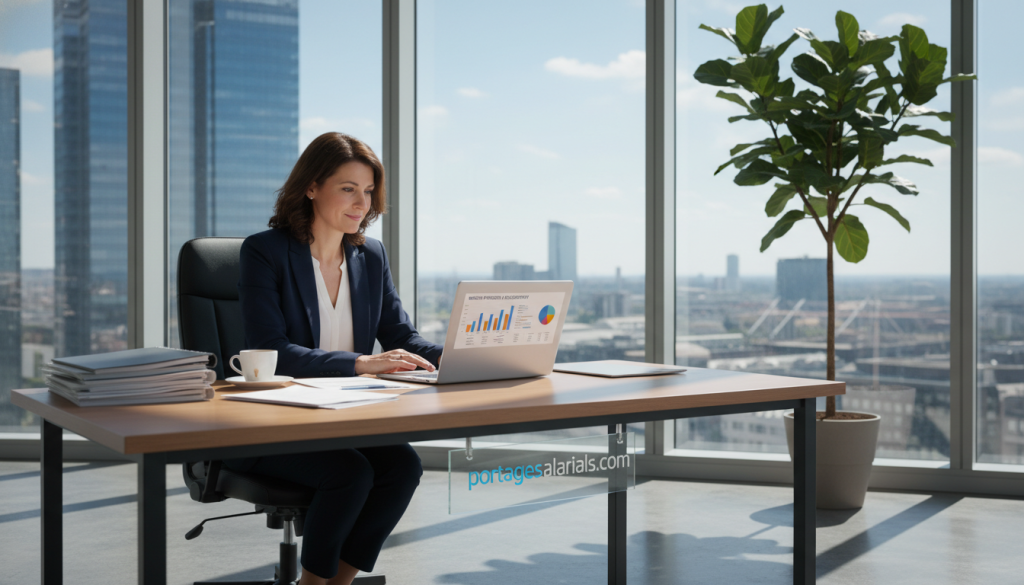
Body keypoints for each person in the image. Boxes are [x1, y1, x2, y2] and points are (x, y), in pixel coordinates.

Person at [231, 132, 441, 585]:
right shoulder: (265, 252)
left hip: (342, 420)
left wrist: (468, 355)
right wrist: (360, 363)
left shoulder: (369, 256)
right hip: (271, 424)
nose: (361, 203)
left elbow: (402, 337)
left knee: (403, 467)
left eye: (368, 191)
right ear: (311, 187)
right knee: (350, 473)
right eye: (348, 188)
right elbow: (273, 351)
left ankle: (338, 583)